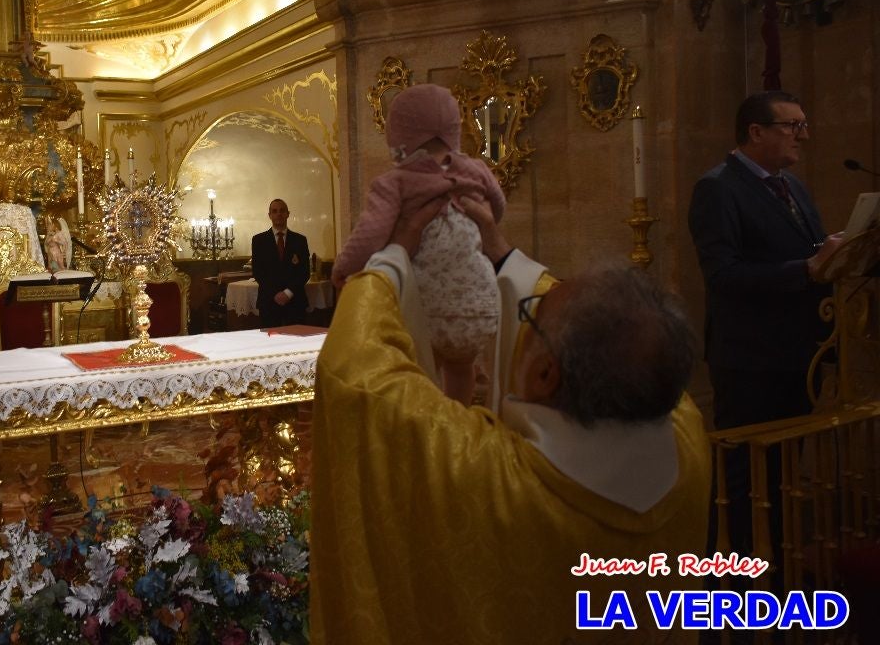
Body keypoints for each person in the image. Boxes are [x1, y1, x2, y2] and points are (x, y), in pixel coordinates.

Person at [311, 195, 711, 643]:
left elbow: (358, 373)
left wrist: (389, 260)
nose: (530, 311)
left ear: (545, 374)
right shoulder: (685, 434)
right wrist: (504, 257)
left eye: (531, 316)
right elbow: (618, 331)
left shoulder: (484, 474)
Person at [688, 90, 844, 558]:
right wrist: (807, 270)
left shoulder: (792, 186)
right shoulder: (718, 187)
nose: (804, 135)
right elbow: (724, 276)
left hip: (797, 353)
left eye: (803, 124)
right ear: (756, 132)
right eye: (792, 126)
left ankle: (773, 575)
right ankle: (725, 592)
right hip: (751, 360)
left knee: (779, 480)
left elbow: (812, 255)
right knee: (743, 482)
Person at [331, 83, 505, 405]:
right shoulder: (477, 169)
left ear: (400, 133)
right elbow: (497, 207)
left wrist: (344, 267)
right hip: (479, 303)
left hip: (425, 306)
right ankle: (460, 419)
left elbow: (370, 234)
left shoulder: (394, 182)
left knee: (423, 373)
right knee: (460, 369)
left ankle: (432, 431)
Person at [250, 199, 310, 327]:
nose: (279, 214)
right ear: (269, 215)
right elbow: (258, 272)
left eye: (282, 211)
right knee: (271, 344)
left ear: (288, 214)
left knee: (296, 343)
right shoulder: (258, 240)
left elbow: (304, 272)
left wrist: (288, 293)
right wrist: (275, 294)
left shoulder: (300, 240)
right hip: (269, 301)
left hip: (295, 301)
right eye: (275, 211)